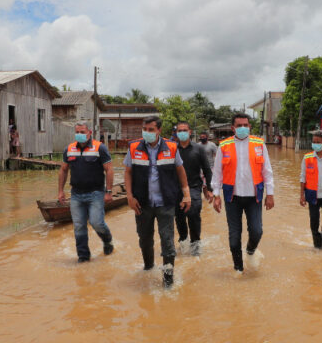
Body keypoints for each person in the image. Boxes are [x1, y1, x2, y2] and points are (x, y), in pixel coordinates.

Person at [124, 116, 191, 287]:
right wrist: (129, 197)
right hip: (142, 204)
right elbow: (128, 172)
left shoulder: (171, 147)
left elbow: (180, 171)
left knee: (167, 240)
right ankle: (148, 267)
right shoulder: (134, 147)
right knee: (144, 239)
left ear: (159, 130)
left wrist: (186, 194)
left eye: (151, 129)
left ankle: (168, 280)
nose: (147, 132)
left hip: (166, 203)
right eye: (145, 129)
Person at [211, 113, 274, 271]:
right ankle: (238, 269)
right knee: (234, 238)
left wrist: (270, 194)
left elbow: (267, 171)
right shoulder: (224, 145)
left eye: (246, 125)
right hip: (232, 197)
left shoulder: (259, 144)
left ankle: (250, 251)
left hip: (254, 197)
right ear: (233, 128)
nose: (243, 128)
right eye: (239, 126)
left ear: (249, 126)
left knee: (257, 231)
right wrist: (216, 195)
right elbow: (217, 173)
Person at [57, 122, 114, 262]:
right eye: (77, 132)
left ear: (89, 132)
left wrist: (109, 192)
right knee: (79, 226)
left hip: (95, 193)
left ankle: (107, 240)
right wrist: (60, 191)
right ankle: (83, 256)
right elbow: (63, 170)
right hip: (76, 194)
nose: (80, 135)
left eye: (82, 132)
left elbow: (109, 170)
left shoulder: (100, 147)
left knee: (96, 222)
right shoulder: (69, 149)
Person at [173, 121, 213, 255]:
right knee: (179, 217)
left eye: (185, 130)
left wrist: (209, 188)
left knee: (194, 214)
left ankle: (195, 245)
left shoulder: (198, 149)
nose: (182, 132)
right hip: (176, 189)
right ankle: (183, 242)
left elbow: (207, 170)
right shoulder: (172, 149)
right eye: (180, 130)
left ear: (190, 132)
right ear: (176, 133)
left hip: (194, 187)